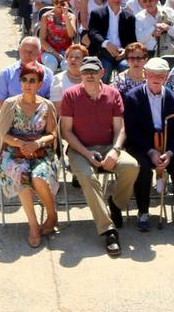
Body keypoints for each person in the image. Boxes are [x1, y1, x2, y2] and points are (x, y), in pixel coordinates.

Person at [59, 56, 137, 257]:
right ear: (80, 74)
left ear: (102, 72)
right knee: (86, 176)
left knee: (131, 166)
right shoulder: (70, 95)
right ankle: (108, 230)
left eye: (93, 71)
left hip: (108, 147)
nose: (89, 75)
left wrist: (115, 150)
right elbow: (66, 131)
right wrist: (86, 153)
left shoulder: (113, 94)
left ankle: (116, 204)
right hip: (79, 150)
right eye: (85, 72)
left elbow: (120, 129)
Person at [0, 64, 60, 247]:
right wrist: (22, 144)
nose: (27, 84)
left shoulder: (47, 106)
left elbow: (53, 134)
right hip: (14, 152)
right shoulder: (10, 104)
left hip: (41, 151)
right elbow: (2, 134)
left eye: (32, 80)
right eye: (24, 79)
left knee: (39, 176)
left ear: (39, 84)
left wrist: (36, 143)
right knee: (21, 174)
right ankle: (33, 226)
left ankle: (52, 215)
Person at [121, 58, 174, 232]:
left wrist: (171, 153)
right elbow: (132, 131)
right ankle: (143, 212)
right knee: (142, 168)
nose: (156, 78)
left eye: (161, 75)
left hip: (167, 145)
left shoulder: (171, 96)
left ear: (166, 77)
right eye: (152, 74)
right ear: (145, 75)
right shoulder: (132, 97)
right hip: (142, 145)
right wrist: (150, 151)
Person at [87, 0, 136, 80]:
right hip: (102, 53)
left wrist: (126, 51)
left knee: (127, 68)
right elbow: (93, 33)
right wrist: (106, 44)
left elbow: (132, 40)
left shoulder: (129, 17)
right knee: (104, 70)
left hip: (122, 54)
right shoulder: (97, 14)